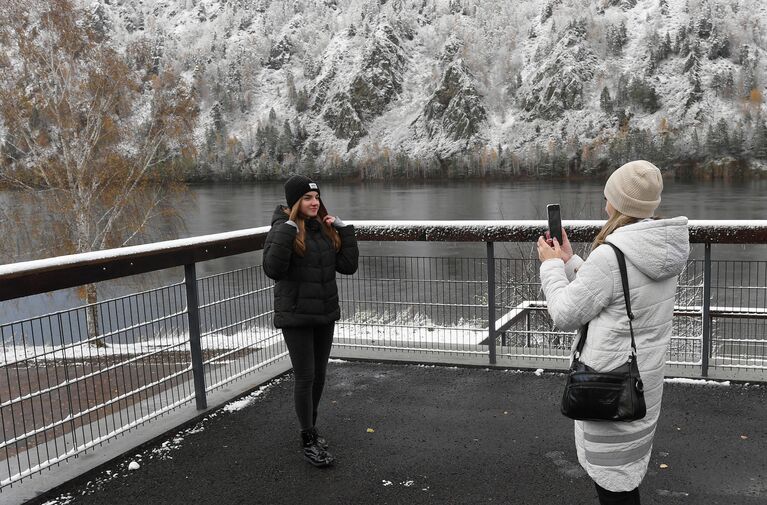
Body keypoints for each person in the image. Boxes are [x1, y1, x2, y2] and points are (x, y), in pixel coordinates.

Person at [536, 160, 689, 505]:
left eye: (609, 193)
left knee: (614, 487)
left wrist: (550, 265)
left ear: (618, 202)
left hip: (608, 384)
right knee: (623, 477)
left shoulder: (612, 254)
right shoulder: (659, 247)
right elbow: (617, 292)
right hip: (641, 381)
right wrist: (573, 263)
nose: (605, 199)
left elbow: (564, 313)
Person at [262, 175, 359, 467]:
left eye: (316, 197)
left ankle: (312, 430)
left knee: (319, 376)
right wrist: (286, 231)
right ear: (295, 202)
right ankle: (308, 438)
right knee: (305, 377)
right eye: (307, 198)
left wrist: (344, 230)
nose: (314, 202)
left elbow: (348, 266)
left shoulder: (322, 229)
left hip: (324, 313)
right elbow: (273, 269)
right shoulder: (283, 229)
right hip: (296, 315)